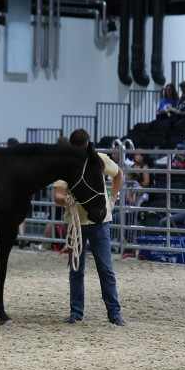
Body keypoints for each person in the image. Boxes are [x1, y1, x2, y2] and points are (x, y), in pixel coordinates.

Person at [53, 128, 125, 326]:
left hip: (99, 221)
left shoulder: (99, 159)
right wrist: (67, 200)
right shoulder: (66, 166)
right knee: (77, 268)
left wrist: (111, 199)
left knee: (105, 267)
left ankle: (114, 313)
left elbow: (119, 174)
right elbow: (58, 194)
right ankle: (77, 312)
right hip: (76, 222)